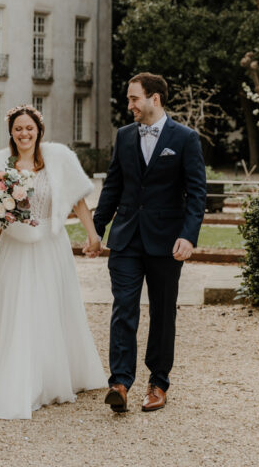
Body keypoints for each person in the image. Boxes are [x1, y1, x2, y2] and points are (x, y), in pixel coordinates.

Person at [0, 103, 106, 419]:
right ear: (11, 133)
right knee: (20, 308)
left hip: (51, 245)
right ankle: (19, 377)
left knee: (50, 307)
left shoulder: (58, 159)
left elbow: (78, 200)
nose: (24, 133)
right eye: (18, 129)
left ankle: (54, 375)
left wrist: (93, 235)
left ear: (39, 130)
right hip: (15, 248)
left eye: (29, 128)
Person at [87, 72, 206, 413]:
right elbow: (112, 188)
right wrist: (97, 230)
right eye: (129, 99)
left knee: (162, 312)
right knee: (123, 308)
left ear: (155, 99)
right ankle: (120, 383)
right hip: (125, 239)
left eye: (134, 98)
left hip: (167, 242)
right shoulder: (124, 137)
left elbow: (197, 193)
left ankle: (158, 382)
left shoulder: (185, 138)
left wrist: (189, 235)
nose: (130, 106)